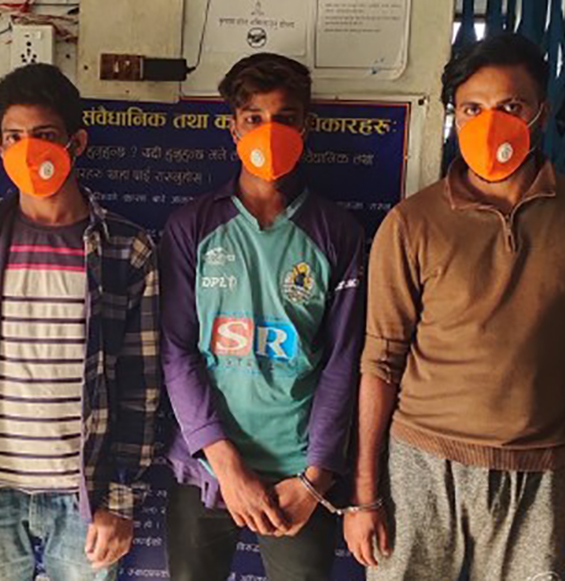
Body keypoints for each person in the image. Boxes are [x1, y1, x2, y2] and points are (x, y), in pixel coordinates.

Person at [344, 32, 565, 580]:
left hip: (540, 473)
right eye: (472, 109)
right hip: (420, 466)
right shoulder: (412, 223)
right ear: (453, 116)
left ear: (540, 112)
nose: (489, 124)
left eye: (510, 107)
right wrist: (364, 496)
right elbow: (380, 362)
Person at [160, 53, 366, 581]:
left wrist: (317, 477)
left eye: (285, 118)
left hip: (300, 477)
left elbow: (343, 363)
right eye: (254, 118)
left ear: (306, 127)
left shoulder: (336, 232)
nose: (269, 133)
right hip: (208, 470)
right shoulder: (191, 227)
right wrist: (225, 464)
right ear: (233, 127)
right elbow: (177, 351)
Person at [0, 63, 160, 581]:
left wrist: (121, 499)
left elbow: (140, 384)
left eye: (45, 135)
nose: (28, 150)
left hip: (83, 495)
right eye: (14, 137)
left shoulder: (126, 248)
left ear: (77, 143)